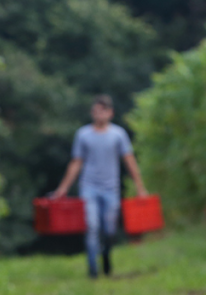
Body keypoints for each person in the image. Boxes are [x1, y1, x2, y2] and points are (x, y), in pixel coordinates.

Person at [51, 95, 148, 278]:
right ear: (92, 113)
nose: (99, 114)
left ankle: (106, 255)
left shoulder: (118, 135)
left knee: (109, 229)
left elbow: (129, 160)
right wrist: (63, 188)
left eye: (103, 110)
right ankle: (93, 270)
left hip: (111, 188)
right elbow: (76, 163)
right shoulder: (83, 135)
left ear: (110, 113)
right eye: (96, 110)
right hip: (89, 187)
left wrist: (140, 187)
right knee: (92, 227)